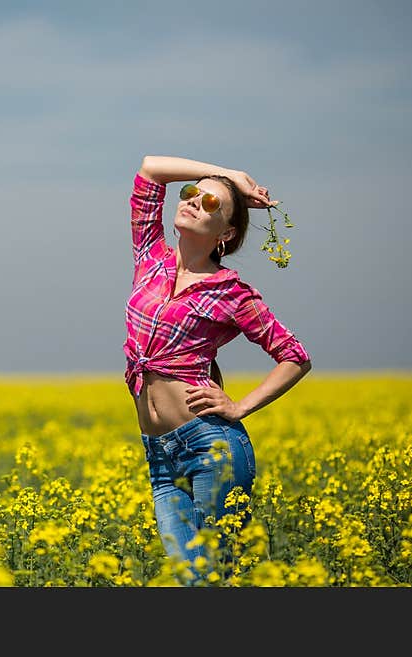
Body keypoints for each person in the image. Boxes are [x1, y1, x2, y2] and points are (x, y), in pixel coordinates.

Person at [125, 155, 312, 584]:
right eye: (191, 193)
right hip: (160, 456)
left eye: (211, 203)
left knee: (212, 579)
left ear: (226, 234)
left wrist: (239, 406)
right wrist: (227, 176)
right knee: (189, 579)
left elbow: (294, 356)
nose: (193, 201)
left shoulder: (231, 291)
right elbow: (151, 169)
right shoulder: (150, 257)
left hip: (211, 449)